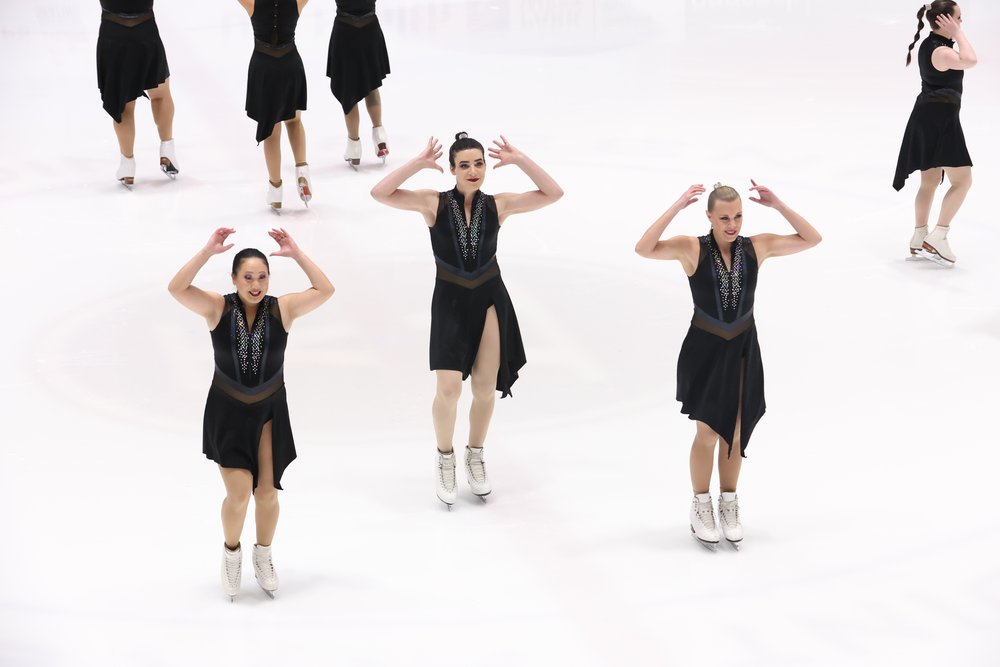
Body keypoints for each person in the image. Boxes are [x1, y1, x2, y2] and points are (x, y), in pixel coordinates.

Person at [370, 134, 563, 508]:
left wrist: (520, 158)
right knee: (448, 390)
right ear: (453, 169)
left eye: (479, 164)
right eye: (465, 165)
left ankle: (475, 453)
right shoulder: (433, 203)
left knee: (485, 387)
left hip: (490, 299)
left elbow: (552, 192)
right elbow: (381, 193)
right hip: (450, 301)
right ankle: (445, 457)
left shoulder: (498, 205)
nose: (473, 171)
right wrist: (416, 163)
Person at [635, 182, 821, 549]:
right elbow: (644, 248)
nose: (732, 223)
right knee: (707, 432)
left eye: (738, 216)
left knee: (736, 431)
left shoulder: (757, 247)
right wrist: (675, 206)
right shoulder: (692, 248)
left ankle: (729, 502)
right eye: (724, 217)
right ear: (709, 216)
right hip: (705, 348)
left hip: (743, 349)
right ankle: (701, 504)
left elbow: (811, 238)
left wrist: (779, 204)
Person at [168, 227, 334, 600]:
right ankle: (231, 553)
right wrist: (206, 251)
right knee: (239, 493)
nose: (256, 284)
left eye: (262, 276)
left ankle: (263, 554)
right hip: (227, 410)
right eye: (248, 277)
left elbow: (326, 290)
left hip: (270, 411)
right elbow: (176, 289)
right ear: (234, 279)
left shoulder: (284, 308)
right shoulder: (216, 307)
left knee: (267, 493)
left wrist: (299, 254)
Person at [893, 1, 977, 267]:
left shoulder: (931, 45)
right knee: (962, 180)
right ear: (944, 21)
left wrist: (955, 32)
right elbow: (971, 60)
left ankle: (919, 235)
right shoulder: (942, 52)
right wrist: (959, 34)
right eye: (958, 18)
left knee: (929, 180)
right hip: (940, 121)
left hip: (927, 116)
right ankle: (939, 234)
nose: (961, 22)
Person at [238, 0, 312, 211]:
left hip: (264, 67)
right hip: (290, 64)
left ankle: (276, 188)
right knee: (295, 121)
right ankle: (302, 172)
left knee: (272, 129)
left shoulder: (251, 3)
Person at [96, 0, 178, 187]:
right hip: (145, 30)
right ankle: (167, 150)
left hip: (112, 32)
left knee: (123, 104)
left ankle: (127, 164)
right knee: (160, 94)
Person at [326, 0, 391, 168]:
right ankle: (380, 139)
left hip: (345, 31)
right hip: (370, 29)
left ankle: (354, 146)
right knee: (371, 85)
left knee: (349, 91)